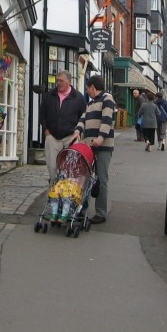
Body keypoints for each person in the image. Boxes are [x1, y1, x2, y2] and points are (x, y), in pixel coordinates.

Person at [71, 75, 115, 224]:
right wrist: (77, 132)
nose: (86, 91)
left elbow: (107, 120)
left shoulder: (107, 98)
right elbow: (83, 120)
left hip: (102, 147)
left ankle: (101, 213)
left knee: (101, 179)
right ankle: (81, 210)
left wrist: (101, 138)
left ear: (92, 87)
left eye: (87, 88)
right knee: (86, 178)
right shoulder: (90, 104)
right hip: (88, 146)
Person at [40, 70, 86, 179]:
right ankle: (54, 189)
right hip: (52, 137)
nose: (58, 83)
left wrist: (79, 132)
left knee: (71, 166)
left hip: (71, 137)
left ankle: (68, 191)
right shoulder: (49, 96)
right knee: (52, 166)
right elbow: (42, 114)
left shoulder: (78, 98)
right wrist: (46, 130)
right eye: (57, 81)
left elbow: (84, 117)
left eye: (61, 81)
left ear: (69, 82)